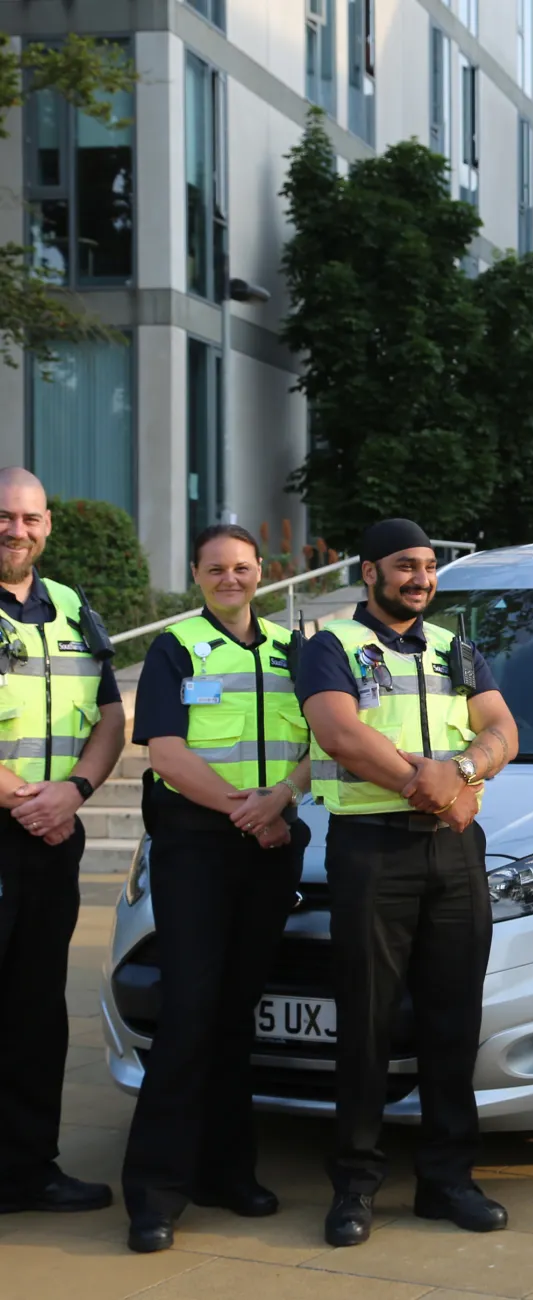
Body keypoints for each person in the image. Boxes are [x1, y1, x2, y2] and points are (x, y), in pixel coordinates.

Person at [298, 518, 518, 1248]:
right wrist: (427, 784)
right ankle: (355, 1187)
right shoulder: (333, 645)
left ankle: (447, 1180)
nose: (420, 579)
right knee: (364, 1023)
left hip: (454, 853)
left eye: (427, 567)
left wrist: (460, 772)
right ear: (368, 573)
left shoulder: (457, 648)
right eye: (403, 566)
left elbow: (502, 731)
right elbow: (338, 733)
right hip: (372, 852)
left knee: (454, 1023)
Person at [120, 523, 312, 1253]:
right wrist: (247, 810)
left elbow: (315, 745)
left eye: (241, 567)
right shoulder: (175, 649)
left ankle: (229, 1173)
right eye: (214, 569)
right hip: (197, 848)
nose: (229, 579)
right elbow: (167, 751)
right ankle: (156, 1193)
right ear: (195, 576)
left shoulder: (295, 653)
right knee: (189, 1012)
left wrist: (281, 800)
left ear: (262, 571)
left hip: (269, 846)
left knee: (238, 1013)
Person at [0, 467, 125, 1214]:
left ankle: (27, 1171)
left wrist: (73, 793)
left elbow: (110, 717)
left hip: (52, 834)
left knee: (37, 1012)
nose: (16, 530)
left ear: (48, 525)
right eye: (4, 516)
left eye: (29, 518)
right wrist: (27, 801)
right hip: (16, 820)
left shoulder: (73, 608)